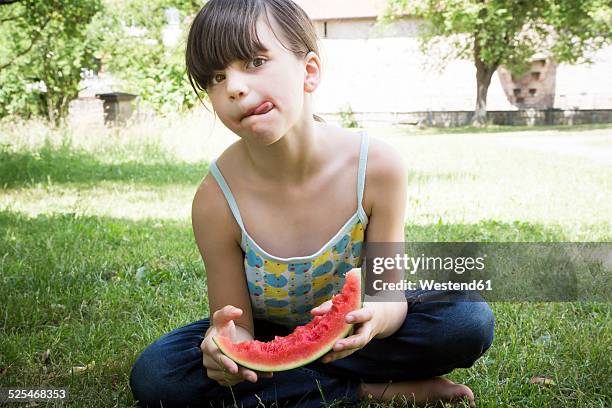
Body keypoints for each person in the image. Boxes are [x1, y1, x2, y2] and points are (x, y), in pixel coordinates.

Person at [129, 0, 494, 407]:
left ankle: (297, 387)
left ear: (309, 71)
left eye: (254, 61)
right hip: (271, 333)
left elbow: (386, 292)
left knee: (467, 319)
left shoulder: (377, 167)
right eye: (216, 76)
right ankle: (369, 390)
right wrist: (223, 346)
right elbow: (238, 327)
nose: (233, 86)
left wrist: (374, 321)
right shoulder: (215, 200)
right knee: (157, 376)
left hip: (359, 331)